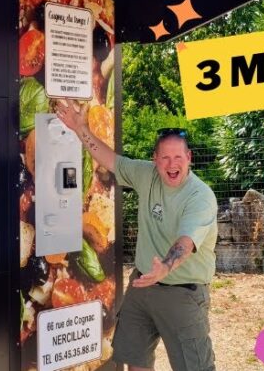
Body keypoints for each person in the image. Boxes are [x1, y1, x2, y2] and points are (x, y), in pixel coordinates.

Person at [56, 100, 218, 371]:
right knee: (135, 361)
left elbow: (186, 242)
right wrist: (79, 128)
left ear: (189, 158)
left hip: (183, 292)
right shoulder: (146, 174)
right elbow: (110, 159)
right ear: (155, 160)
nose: (172, 164)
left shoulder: (199, 196)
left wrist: (165, 267)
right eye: (165, 157)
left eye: (178, 157)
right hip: (142, 285)